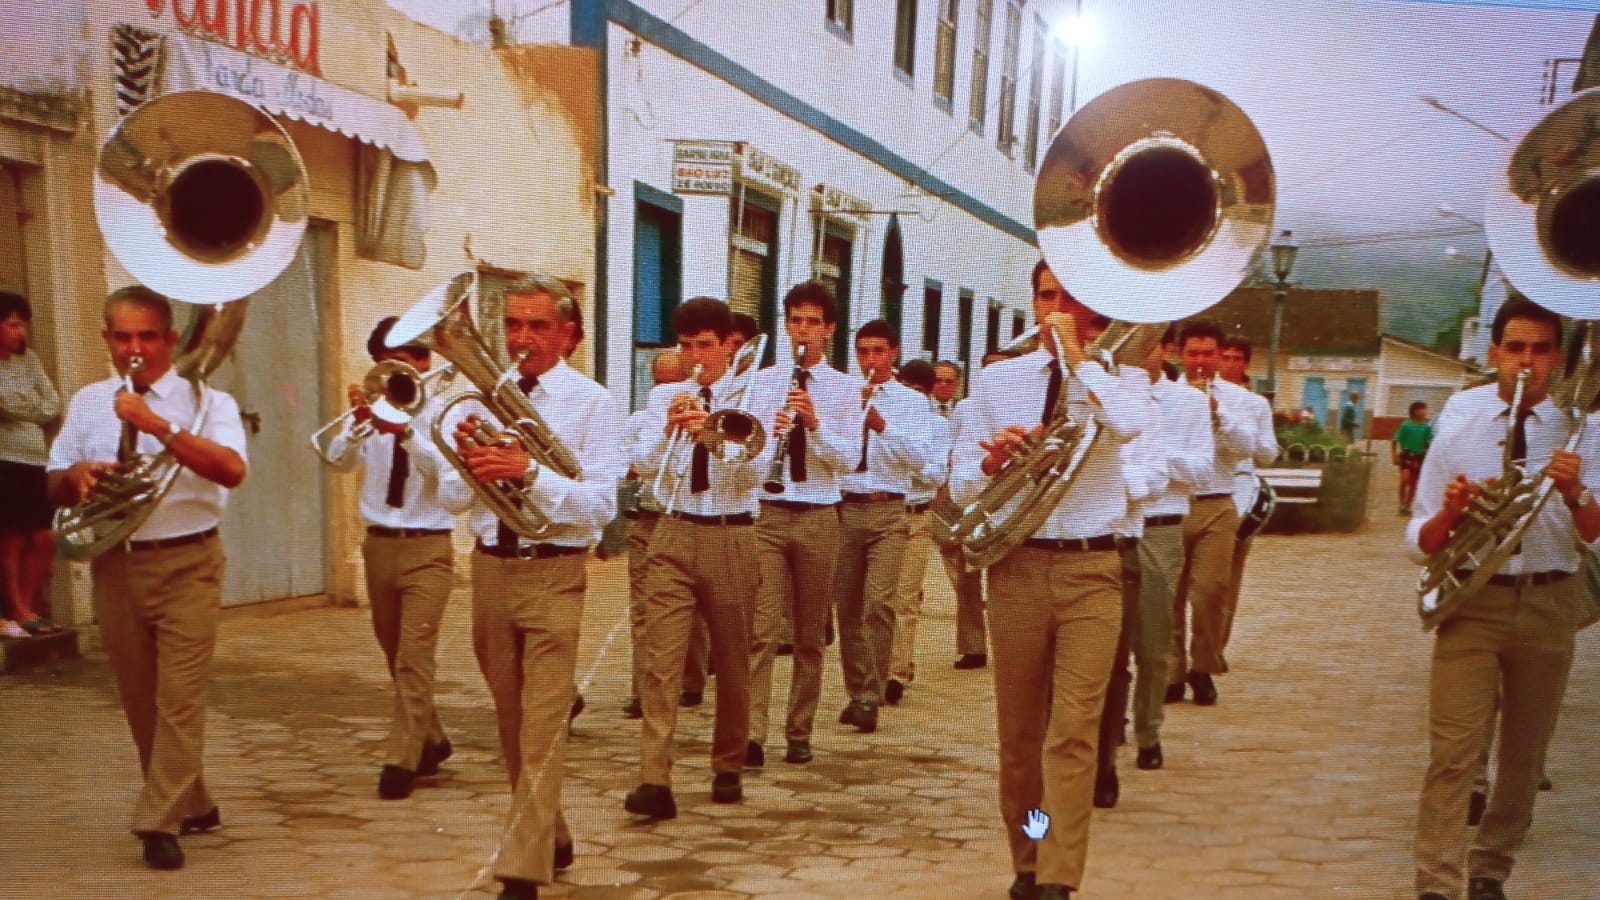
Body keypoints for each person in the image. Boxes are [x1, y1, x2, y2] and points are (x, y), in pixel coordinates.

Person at [951, 260, 1150, 900]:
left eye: (1069, 298)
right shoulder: (998, 380)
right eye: (1045, 296)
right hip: (1017, 565)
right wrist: (993, 461)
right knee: (1021, 736)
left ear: (1094, 310)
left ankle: (1060, 877)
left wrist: (1078, 360)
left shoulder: (1122, 379)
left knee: (1072, 734)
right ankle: (1030, 856)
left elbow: (1128, 425)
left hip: (1092, 568)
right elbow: (960, 487)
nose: (1055, 309)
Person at [46, 285, 248, 870]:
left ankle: (157, 821)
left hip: (189, 562)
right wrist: (77, 477)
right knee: (140, 700)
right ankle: (194, 802)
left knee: (178, 699)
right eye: (123, 337)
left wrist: (157, 426)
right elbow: (52, 482)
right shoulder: (89, 401)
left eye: (147, 337)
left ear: (170, 338)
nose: (135, 349)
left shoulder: (208, 401)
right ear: (106, 339)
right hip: (116, 561)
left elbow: (231, 470)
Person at [1407, 295, 1598, 900]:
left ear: (1559, 360)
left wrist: (1575, 492)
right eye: (1515, 348)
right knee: (1454, 753)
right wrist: (1453, 514)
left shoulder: (1584, 432)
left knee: (1523, 756)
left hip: (1549, 601)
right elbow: (1418, 541)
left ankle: (1490, 870)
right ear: (1494, 354)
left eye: (1541, 350)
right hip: (1473, 604)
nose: (1527, 361)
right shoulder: (1459, 429)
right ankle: (1437, 882)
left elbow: (1596, 533)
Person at [448, 274, 625, 900]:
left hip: (553, 571)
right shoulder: (474, 400)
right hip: (491, 569)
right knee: (510, 716)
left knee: (543, 722)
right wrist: (462, 460)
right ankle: (551, 832)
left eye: (538, 326)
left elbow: (600, 506)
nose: (521, 338)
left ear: (568, 335)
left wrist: (529, 473)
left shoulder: (594, 403)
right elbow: (450, 499)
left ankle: (522, 868)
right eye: (513, 324)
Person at [323, 317, 471, 800]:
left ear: (427, 361)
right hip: (380, 546)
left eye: (414, 357)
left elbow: (448, 481)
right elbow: (337, 461)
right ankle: (432, 739)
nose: (407, 368)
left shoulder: (444, 413)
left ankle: (400, 760)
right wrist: (357, 426)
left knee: (414, 656)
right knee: (395, 655)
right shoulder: (372, 407)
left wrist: (407, 432)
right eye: (393, 360)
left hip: (429, 546)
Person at [623, 297, 758, 819]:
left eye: (705, 345)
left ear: (728, 345)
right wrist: (668, 430)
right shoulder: (665, 395)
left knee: (732, 658)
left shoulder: (753, 393)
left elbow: (754, 470)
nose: (696, 356)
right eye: (686, 346)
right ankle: (654, 779)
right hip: (673, 530)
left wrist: (713, 433)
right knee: (662, 659)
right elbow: (642, 465)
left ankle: (727, 764)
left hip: (730, 534)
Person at [1093, 324, 1212, 808]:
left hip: (1160, 525)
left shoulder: (1189, 402)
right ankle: (1109, 738)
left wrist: (1159, 455)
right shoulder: (1105, 391)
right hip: (1109, 527)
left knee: (1153, 639)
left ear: (1165, 349)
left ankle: (1149, 730)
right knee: (1109, 647)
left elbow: (1201, 470)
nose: (1137, 352)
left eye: (1146, 343)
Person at [746, 281, 861, 767]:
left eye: (813, 322)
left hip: (818, 514)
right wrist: (768, 439)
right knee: (761, 628)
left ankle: (799, 730)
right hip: (769, 513)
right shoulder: (762, 382)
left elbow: (848, 461)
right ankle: (752, 733)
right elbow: (744, 455)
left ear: (829, 329)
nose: (803, 331)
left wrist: (814, 427)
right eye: (795, 321)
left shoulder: (845, 387)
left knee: (811, 634)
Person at [833, 320, 936, 732]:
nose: (870, 360)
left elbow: (921, 460)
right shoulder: (843, 394)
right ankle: (856, 691)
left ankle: (872, 695)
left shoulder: (912, 402)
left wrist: (882, 426)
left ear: (893, 353)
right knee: (847, 608)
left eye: (878, 351)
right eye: (863, 352)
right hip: (845, 507)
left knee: (879, 603)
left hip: (889, 509)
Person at [1166, 320, 1271, 707]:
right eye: (1192, 353)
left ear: (1219, 355)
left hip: (1218, 501)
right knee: (1169, 594)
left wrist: (1218, 415)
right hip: (1173, 501)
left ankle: (1204, 665)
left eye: (1208, 354)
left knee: (1211, 591)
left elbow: (1255, 450)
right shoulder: (1163, 395)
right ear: (1180, 354)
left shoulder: (1244, 401)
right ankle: (1172, 671)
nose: (1200, 361)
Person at [620, 349, 687, 720]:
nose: (667, 390)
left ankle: (689, 680)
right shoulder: (640, 420)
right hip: (649, 517)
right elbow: (628, 466)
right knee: (644, 607)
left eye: (674, 382)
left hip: (686, 519)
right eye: (660, 382)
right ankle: (643, 691)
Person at [885, 358, 949, 705]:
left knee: (905, 597)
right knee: (876, 598)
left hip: (916, 517)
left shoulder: (937, 425)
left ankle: (896, 671)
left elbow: (935, 474)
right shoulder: (887, 419)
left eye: (918, 391)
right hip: (885, 513)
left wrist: (906, 457)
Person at [0, 291, 61, 638]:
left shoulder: (29, 360)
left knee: (43, 537)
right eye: (12, 324)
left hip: (35, 458)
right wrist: (28, 405)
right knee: (12, 537)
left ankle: (25, 605)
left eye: (22, 325)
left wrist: (18, 405)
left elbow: (52, 404)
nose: (20, 332)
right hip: (6, 459)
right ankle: (17, 609)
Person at [1217, 335, 1279, 667]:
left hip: (1238, 489)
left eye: (1235, 358)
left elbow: (1269, 453)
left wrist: (1246, 439)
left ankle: (1215, 648)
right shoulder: (1193, 395)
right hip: (1196, 490)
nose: (1229, 364)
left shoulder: (1255, 404)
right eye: (1224, 357)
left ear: (1246, 363)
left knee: (1226, 580)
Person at [1394, 400, 1433, 515]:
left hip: (1419, 456)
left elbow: (1428, 443)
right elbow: (1396, 440)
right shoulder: (1406, 426)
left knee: (1413, 483)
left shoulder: (1426, 427)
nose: (1425, 411)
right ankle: (1401, 504)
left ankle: (1407, 506)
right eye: (1423, 409)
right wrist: (1394, 455)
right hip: (1407, 455)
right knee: (1404, 480)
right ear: (1415, 411)